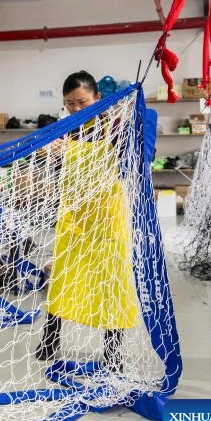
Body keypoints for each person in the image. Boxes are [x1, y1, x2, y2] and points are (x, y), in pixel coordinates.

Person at [35, 71, 137, 373]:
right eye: (70, 104)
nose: (76, 109)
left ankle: (113, 350)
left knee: (111, 282)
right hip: (74, 217)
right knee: (64, 278)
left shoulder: (115, 127)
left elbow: (133, 159)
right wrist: (47, 152)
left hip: (106, 217)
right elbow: (47, 166)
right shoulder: (61, 130)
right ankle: (50, 339)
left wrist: (71, 153)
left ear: (96, 99)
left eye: (82, 102)